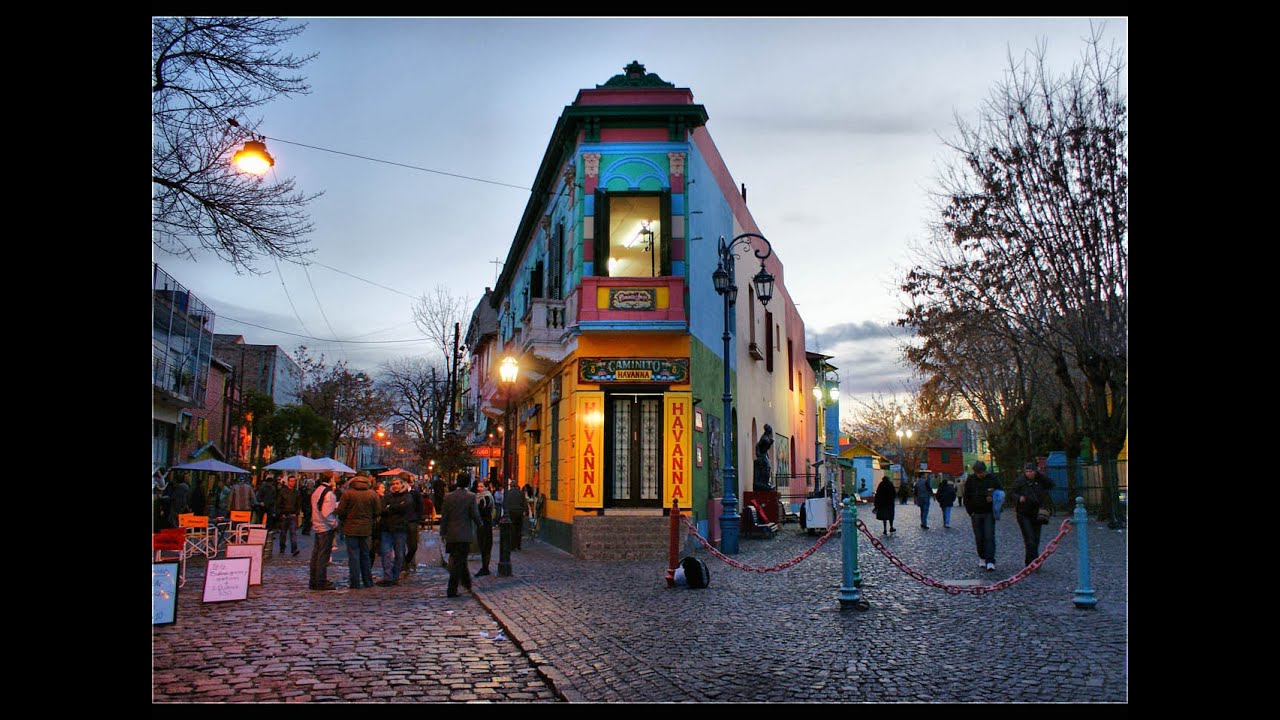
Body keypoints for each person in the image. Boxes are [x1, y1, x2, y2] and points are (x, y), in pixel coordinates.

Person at [440, 472, 481, 598]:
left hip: (452, 534)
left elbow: (444, 517)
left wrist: (443, 532)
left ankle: (467, 582)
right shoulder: (471, 496)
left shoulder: (448, 497)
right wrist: (481, 524)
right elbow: (474, 514)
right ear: (468, 482)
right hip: (464, 534)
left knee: (459, 559)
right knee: (459, 561)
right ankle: (452, 589)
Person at [336, 475, 379, 590]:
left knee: (353, 556)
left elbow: (341, 511)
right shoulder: (372, 494)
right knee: (365, 555)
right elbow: (377, 511)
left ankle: (355, 582)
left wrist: (345, 519)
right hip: (366, 529)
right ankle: (367, 581)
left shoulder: (348, 494)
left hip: (351, 528)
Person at [1011, 462, 1054, 568]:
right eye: (1027, 471)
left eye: (1031, 471)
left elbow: (1051, 484)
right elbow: (1012, 493)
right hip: (1023, 513)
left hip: (1037, 513)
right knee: (1029, 538)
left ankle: (1034, 561)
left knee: (1036, 538)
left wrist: (1040, 475)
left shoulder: (1040, 480)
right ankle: (1030, 562)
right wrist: (1019, 498)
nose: (1029, 473)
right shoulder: (1020, 481)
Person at [962, 461, 1003, 571]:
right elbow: (966, 496)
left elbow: (1000, 492)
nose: (980, 475)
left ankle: (990, 560)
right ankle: (982, 557)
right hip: (976, 513)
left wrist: (993, 498)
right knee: (979, 537)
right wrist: (970, 511)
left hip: (988, 512)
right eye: (978, 473)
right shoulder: (971, 480)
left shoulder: (992, 479)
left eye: (982, 472)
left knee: (989, 536)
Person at [376, 477, 412, 586]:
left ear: (402, 484)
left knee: (399, 554)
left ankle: (395, 576)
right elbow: (382, 509)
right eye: (393, 483)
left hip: (400, 529)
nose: (395, 485)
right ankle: (388, 576)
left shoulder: (407, 496)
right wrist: (395, 507)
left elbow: (405, 507)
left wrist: (390, 508)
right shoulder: (387, 496)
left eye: (397, 483)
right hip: (387, 528)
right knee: (386, 553)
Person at [309, 472, 340, 591]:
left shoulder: (317, 491)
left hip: (317, 525)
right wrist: (335, 524)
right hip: (325, 527)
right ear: (331, 479)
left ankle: (314, 580)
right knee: (323, 556)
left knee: (316, 555)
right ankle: (320, 581)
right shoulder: (328, 493)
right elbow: (326, 513)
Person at [275, 475, 302, 556]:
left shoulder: (297, 492)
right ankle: (282, 549)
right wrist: (281, 513)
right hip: (284, 515)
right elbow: (278, 503)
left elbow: (298, 504)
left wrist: (296, 513)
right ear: (288, 482)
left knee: (293, 533)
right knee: (283, 533)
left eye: (294, 481)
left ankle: (294, 549)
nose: (292, 483)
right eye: (291, 481)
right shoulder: (283, 491)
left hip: (292, 515)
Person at [403, 477, 424, 575]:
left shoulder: (415, 492)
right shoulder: (398, 492)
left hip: (412, 521)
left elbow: (420, 506)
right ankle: (403, 565)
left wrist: (417, 519)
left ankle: (406, 561)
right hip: (401, 522)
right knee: (400, 545)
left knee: (413, 546)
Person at [474, 479, 495, 576]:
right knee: (482, 545)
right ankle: (484, 567)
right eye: (478, 486)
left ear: (486, 487)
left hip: (485, 525)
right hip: (482, 524)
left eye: (481, 486)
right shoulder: (478, 497)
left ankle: (485, 567)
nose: (479, 488)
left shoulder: (486, 497)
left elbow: (482, 511)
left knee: (485, 545)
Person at [503, 478, 527, 551]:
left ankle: (512, 545)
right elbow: (524, 503)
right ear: (516, 485)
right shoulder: (521, 493)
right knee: (518, 529)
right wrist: (525, 511)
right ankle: (518, 545)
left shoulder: (507, 493)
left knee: (511, 529)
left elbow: (504, 504)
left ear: (510, 486)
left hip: (510, 512)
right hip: (519, 512)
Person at [753, 424, 775, 491]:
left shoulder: (767, 438)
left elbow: (766, 448)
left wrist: (770, 443)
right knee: (766, 467)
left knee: (768, 467)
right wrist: (758, 454)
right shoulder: (764, 438)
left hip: (765, 454)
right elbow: (758, 445)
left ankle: (765, 482)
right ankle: (763, 482)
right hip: (762, 454)